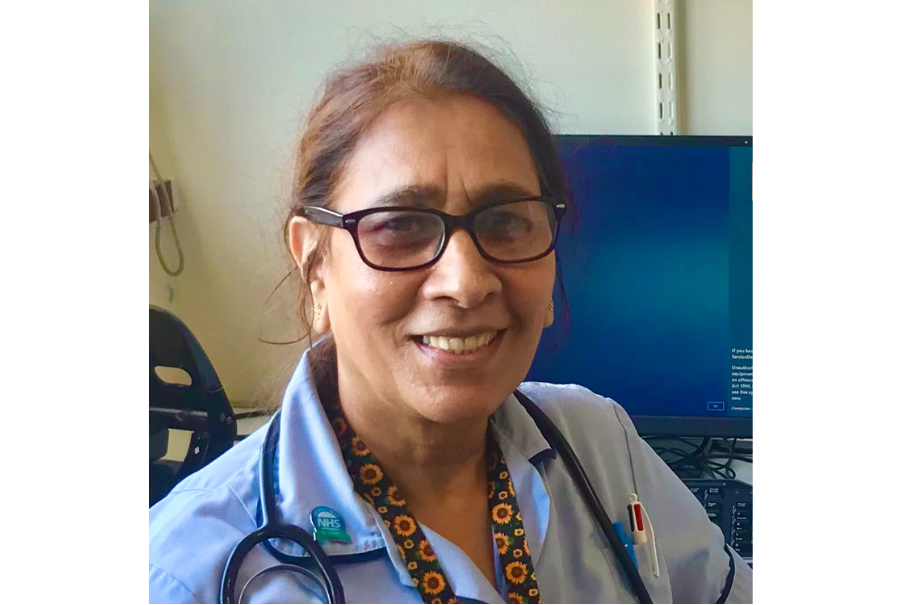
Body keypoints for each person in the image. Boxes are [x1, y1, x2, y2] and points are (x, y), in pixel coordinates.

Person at [149, 39, 753, 604]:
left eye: (507, 220)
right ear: (315, 266)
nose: (465, 282)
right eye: (399, 226)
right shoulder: (187, 573)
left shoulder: (600, 445)